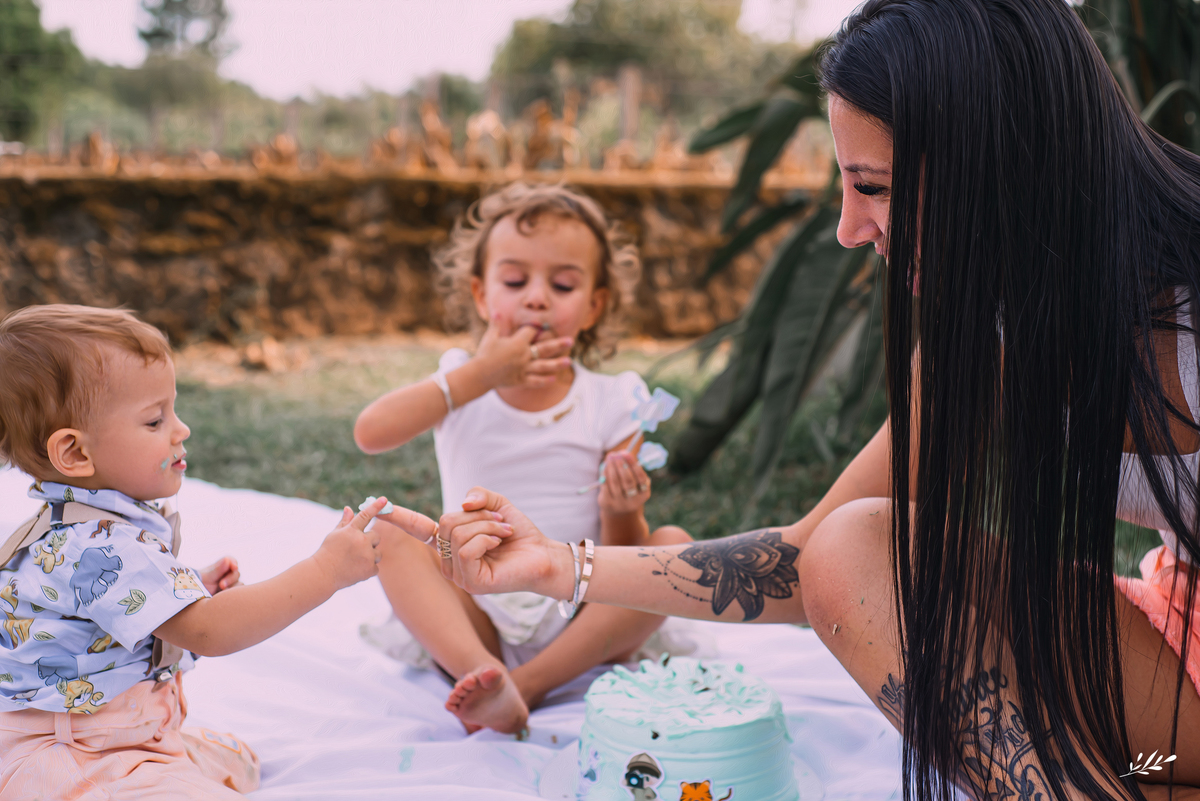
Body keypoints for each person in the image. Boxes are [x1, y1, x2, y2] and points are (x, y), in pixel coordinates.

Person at [426, 2, 1200, 798]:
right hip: (1175, 647)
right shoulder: (992, 320)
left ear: (999, 160)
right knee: (848, 548)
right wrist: (559, 564)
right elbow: (806, 563)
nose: (848, 228)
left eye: (875, 187)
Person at [0, 305, 387, 800]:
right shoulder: (101, 543)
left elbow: (94, 609)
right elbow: (210, 630)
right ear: (75, 453)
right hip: (79, 758)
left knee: (238, 763)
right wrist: (325, 571)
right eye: (155, 420)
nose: (180, 430)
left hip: (105, 735)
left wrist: (186, 589)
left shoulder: (72, 527)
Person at [353, 182, 692, 736]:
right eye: (515, 281)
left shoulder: (614, 398)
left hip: (580, 608)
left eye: (562, 284)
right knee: (388, 532)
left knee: (672, 548)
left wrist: (622, 507)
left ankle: (522, 687)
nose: (537, 297)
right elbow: (371, 432)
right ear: (483, 296)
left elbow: (625, 548)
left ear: (594, 304)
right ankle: (480, 669)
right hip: (471, 603)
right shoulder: (462, 378)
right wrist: (480, 375)